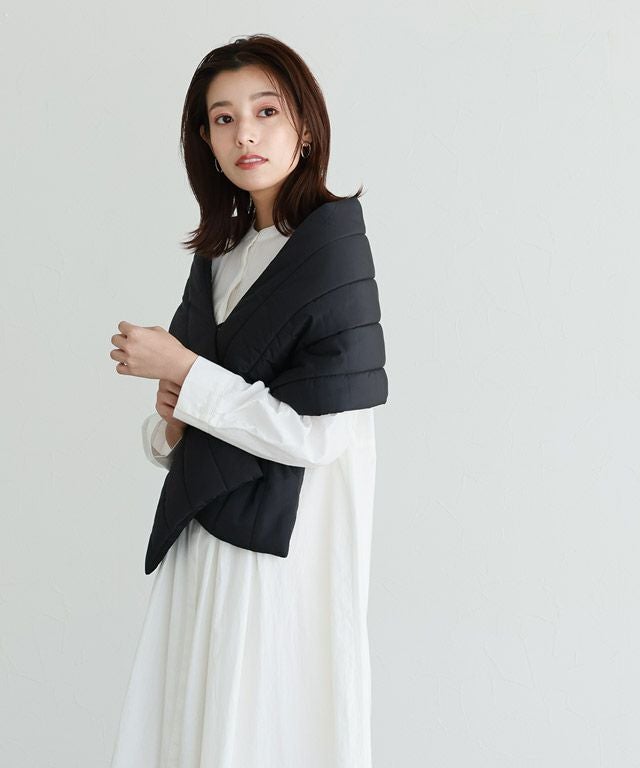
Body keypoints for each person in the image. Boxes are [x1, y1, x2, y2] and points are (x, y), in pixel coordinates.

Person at [109, 34, 386, 768]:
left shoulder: (333, 250)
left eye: (266, 111)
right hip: (207, 540)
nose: (246, 135)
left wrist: (186, 373)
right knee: (198, 729)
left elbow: (316, 437)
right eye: (223, 119)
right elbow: (179, 423)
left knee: (263, 727)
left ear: (306, 125)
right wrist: (170, 417)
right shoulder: (222, 258)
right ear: (204, 140)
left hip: (282, 549)